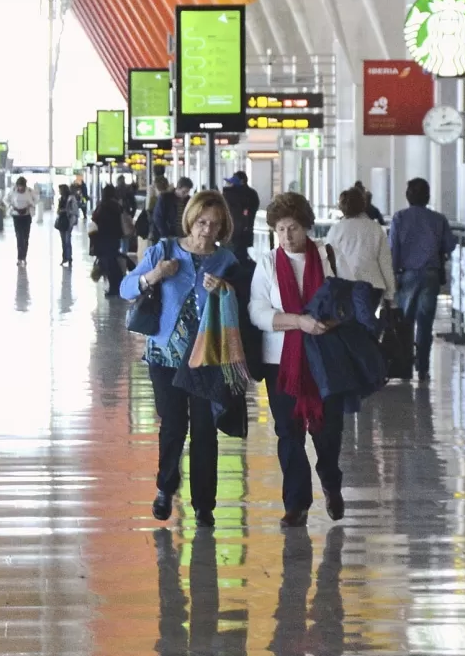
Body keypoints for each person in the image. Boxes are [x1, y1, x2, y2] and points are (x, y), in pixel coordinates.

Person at [121, 190, 239, 527]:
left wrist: (225, 289)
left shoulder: (226, 261)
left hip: (207, 356)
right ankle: (165, 487)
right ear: (190, 219)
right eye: (202, 222)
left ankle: (204, 503)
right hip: (164, 355)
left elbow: (240, 305)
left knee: (205, 430)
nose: (206, 231)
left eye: (214, 225)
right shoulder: (166, 250)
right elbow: (127, 288)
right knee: (173, 426)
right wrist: (155, 274)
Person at [248, 192, 348, 526]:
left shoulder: (327, 255)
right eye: (279, 230)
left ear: (306, 226)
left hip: (325, 359)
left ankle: (331, 482)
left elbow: (347, 300)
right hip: (282, 363)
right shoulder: (266, 263)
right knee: (288, 432)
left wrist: (331, 321)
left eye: (292, 228)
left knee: (327, 431)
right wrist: (298, 322)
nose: (286, 236)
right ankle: (296, 503)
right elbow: (258, 311)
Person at [388, 178, 457, 380]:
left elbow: (393, 250)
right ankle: (423, 367)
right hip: (430, 276)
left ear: (408, 196)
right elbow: (450, 245)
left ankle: (405, 365)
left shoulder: (399, 218)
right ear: (427, 196)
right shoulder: (438, 219)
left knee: (405, 323)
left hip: (407, 275)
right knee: (425, 323)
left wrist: (392, 278)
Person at [325, 188, 395, 299]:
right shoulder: (375, 229)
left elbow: (327, 262)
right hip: (373, 287)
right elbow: (385, 263)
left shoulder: (335, 230)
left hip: (345, 287)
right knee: (366, 315)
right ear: (363, 204)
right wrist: (390, 294)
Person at [90, 184, 128, 296]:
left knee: (109, 264)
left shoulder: (102, 206)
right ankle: (117, 286)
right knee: (111, 261)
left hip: (103, 239)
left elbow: (95, 221)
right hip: (114, 238)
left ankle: (115, 287)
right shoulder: (116, 206)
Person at [221, 170, 261, 263]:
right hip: (244, 231)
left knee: (230, 257)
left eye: (232, 182)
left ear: (242, 182)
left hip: (232, 232)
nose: (230, 184)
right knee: (240, 256)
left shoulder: (230, 194)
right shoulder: (252, 194)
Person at [5, 176, 40, 266]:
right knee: (19, 237)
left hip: (27, 215)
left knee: (25, 237)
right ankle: (20, 258)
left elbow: (36, 199)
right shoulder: (13, 191)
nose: (21, 188)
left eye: (22, 186)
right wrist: (12, 206)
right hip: (17, 216)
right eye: (19, 186)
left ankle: (24, 256)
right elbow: (5, 199)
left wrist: (30, 205)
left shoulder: (29, 191)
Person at [152, 176, 192, 241]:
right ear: (178, 188)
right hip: (168, 235)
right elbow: (158, 217)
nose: (186, 194)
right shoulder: (165, 198)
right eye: (184, 192)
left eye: (188, 192)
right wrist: (165, 234)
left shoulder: (188, 200)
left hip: (183, 235)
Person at [55, 183, 78, 267]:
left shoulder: (71, 198)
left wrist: (65, 211)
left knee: (67, 240)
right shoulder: (61, 199)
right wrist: (60, 211)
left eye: (60, 190)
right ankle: (64, 258)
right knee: (63, 241)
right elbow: (58, 210)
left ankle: (69, 258)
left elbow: (75, 211)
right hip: (61, 221)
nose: (59, 191)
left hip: (68, 221)